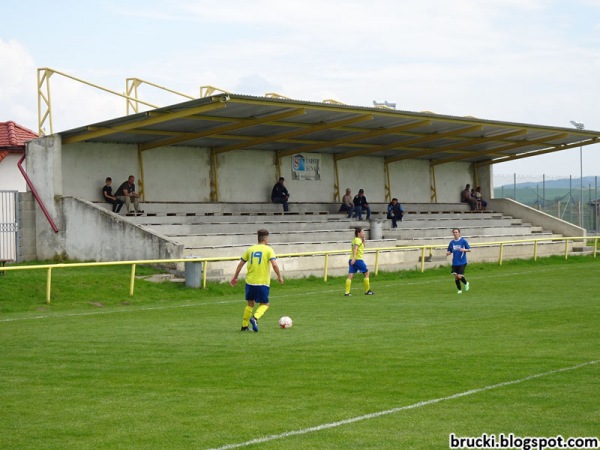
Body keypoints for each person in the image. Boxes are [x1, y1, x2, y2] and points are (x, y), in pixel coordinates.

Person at [231, 229, 284, 332]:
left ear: (258, 238)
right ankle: (255, 318)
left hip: (250, 282)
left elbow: (240, 264)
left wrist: (235, 277)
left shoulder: (250, 249)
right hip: (262, 282)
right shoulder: (269, 250)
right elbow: (274, 264)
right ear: (266, 239)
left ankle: (244, 326)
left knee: (250, 303)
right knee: (265, 304)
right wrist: (279, 276)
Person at [345, 227, 375, 296]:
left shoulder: (355, 240)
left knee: (350, 275)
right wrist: (355, 258)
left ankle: (347, 292)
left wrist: (364, 238)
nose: (363, 233)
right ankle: (367, 291)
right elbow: (355, 248)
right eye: (362, 232)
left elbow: (363, 246)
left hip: (351, 259)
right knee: (367, 273)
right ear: (358, 233)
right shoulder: (358, 240)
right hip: (357, 260)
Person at [446, 228, 471, 294]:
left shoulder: (463, 241)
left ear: (459, 233)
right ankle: (459, 290)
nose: (455, 233)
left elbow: (469, 249)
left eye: (456, 232)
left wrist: (463, 250)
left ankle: (466, 283)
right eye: (454, 232)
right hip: (455, 262)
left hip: (462, 262)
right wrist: (448, 253)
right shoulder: (452, 242)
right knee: (456, 277)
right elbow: (449, 250)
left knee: (459, 276)